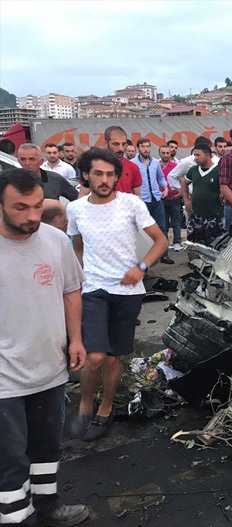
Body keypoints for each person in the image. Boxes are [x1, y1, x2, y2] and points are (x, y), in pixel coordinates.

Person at [0, 168, 90, 526]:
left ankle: (48, 507)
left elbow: (71, 290)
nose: (33, 216)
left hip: (50, 367)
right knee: (10, 459)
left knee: (47, 448)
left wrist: (76, 339)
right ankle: (17, 519)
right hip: (5, 376)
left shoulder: (54, 240)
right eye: (21, 208)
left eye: (38, 206)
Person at [67, 148, 168, 441]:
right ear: (86, 174)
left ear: (117, 177)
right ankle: (85, 404)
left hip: (128, 291)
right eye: (98, 173)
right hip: (94, 289)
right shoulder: (76, 209)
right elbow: (76, 244)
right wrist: (82, 272)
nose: (104, 179)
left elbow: (160, 241)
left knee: (112, 359)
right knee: (95, 356)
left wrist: (142, 267)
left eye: (110, 174)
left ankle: (105, 410)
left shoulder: (132, 204)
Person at [132, 138, 173, 264]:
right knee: (143, 230)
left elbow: (160, 177)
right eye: (143, 146)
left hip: (156, 198)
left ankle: (164, 254)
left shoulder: (155, 162)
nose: (146, 149)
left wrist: (165, 187)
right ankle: (146, 256)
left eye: (148, 146)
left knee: (162, 227)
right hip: (142, 200)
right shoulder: (133, 163)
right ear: (138, 148)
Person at [180, 145, 224, 246]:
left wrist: (222, 197)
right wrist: (186, 200)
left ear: (207, 155)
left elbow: (224, 188)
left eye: (198, 155)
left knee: (214, 245)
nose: (195, 158)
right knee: (193, 244)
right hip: (196, 215)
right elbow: (184, 183)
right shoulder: (193, 170)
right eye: (194, 155)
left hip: (214, 215)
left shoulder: (218, 170)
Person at [158, 144, 182, 251]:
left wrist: (179, 194)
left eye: (167, 153)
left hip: (174, 198)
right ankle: (165, 243)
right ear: (159, 154)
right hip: (161, 199)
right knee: (164, 223)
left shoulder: (176, 166)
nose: (165, 155)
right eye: (163, 153)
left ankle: (177, 242)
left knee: (176, 222)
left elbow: (182, 181)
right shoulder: (156, 166)